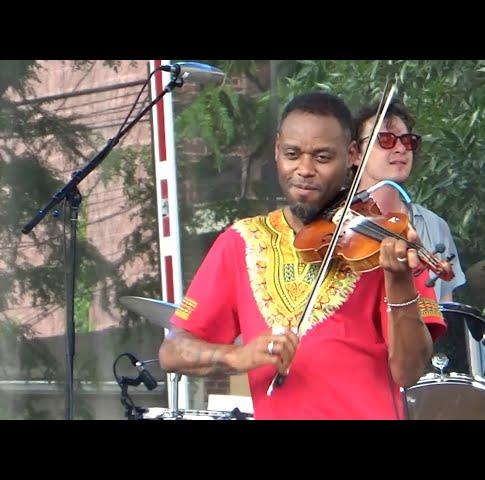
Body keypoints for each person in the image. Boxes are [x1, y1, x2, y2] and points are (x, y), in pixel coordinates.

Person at [158, 92, 446, 420]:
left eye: (322, 157)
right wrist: (236, 356)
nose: (304, 170)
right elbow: (172, 350)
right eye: (293, 154)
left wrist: (399, 281)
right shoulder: (240, 241)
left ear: (352, 154)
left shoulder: (384, 238)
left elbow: (410, 371)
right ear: (277, 150)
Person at [353, 99, 466, 302]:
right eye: (385, 139)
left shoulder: (435, 225)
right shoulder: (339, 221)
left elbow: (447, 312)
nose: (400, 148)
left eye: (407, 141)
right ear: (356, 155)